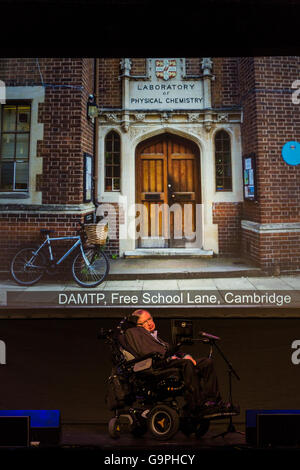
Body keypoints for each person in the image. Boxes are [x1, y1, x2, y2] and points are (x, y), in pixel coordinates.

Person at [124, 309, 232, 415]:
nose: (149, 323)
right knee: (186, 363)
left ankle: (213, 401)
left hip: (170, 361)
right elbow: (145, 352)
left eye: (150, 319)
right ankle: (197, 403)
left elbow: (170, 350)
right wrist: (171, 358)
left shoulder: (156, 338)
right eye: (144, 322)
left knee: (206, 362)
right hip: (157, 366)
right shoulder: (135, 333)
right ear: (138, 325)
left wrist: (185, 355)